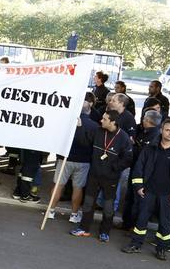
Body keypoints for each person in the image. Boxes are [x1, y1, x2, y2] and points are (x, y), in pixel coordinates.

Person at [124, 119, 170, 260]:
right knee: (141, 220)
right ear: (161, 130)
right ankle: (136, 244)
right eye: (167, 130)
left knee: (165, 225)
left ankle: (161, 249)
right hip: (148, 192)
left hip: (168, 195)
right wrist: (139, 186)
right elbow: (139, 167)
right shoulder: (150, 147)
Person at [73, 109, 134, 242]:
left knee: (108, 207)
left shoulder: (123, 138)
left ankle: (105, 232)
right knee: (88, 203)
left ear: (113, 122)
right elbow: (84, 142)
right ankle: (84, 228)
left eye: (104, 119)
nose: (101, 121)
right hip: (94, 174)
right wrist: (78, 128)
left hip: (110, 178)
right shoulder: (98, 131)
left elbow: (128, 158)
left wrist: (114, 168)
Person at [57, 96, 101, 225]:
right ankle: (74, 214)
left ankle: (51, 211)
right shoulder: (95, 126)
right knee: (78, 188)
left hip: (65, 157)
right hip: (83, 161)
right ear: (89, 110)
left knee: (58, 185)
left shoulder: (67, 122)